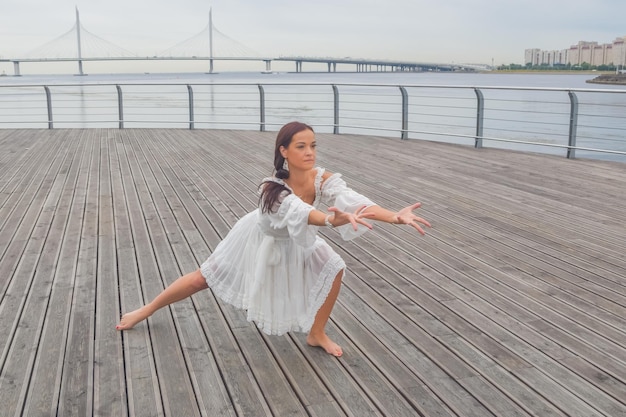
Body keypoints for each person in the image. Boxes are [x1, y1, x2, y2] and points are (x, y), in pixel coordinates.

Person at [116, 121, 431, 357]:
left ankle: (316, 333)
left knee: (335, 267)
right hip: (259, 238)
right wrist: (331, 219)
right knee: (203, 278)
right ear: (284, 152)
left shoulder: (320, 177)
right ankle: (146, 310)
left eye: (313, 145)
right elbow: (305, 214)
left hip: (297, 239)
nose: (309, 152)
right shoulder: (272, 189)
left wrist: (394, 216)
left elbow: (351, 199)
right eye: (300, 147)